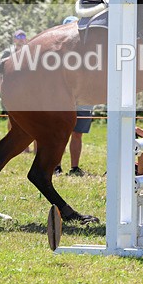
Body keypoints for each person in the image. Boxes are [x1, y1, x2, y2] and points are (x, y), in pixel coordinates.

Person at [55, 16, 92, 176]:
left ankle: (74, 168)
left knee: (77, 134)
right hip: (63, 101)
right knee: (60, 134)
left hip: (84, 100)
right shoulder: (56, 54)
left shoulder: (89, 51)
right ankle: (56, 166)